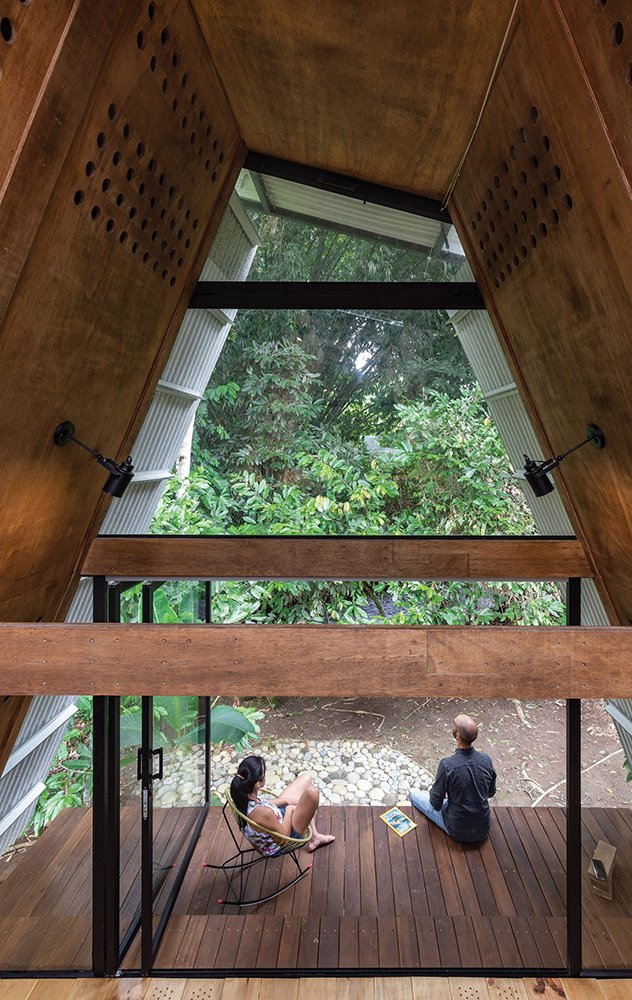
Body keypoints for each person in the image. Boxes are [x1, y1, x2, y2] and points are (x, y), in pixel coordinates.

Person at [410, 713, 496, 843]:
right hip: (483, 828)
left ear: (457, 736)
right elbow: (491, 792)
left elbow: (435, 803)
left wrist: (449, 796)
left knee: (414, 795)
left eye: (454, 726)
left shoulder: (447, 765)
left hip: (457, 829)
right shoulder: (486, 760)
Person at [229, 754, 335, 855]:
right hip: (283, 838)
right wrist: (289, 809)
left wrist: (285, 801)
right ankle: (314, 837)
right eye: (264, 773)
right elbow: (284, 839)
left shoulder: (243, 795)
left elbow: (263, 803)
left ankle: (315, 837)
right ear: (257, 784)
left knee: (306, 779)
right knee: (312, 793)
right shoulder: (262, 813)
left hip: (276, 820)